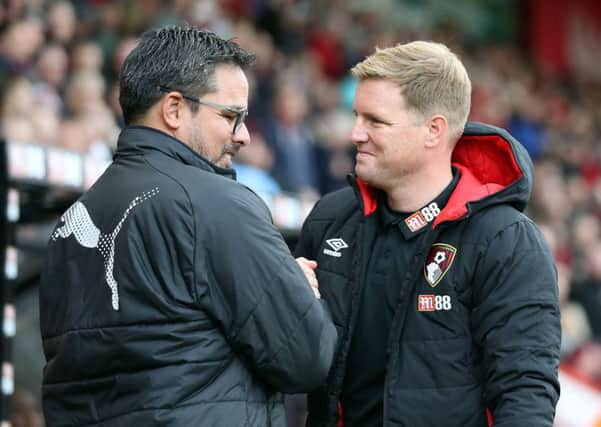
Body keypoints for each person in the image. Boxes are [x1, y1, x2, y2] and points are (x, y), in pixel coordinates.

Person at [39, 25, 337, 426]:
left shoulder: (71, 220)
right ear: (175, 109)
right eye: (232, 117)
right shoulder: (216, 204)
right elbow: (305, 357)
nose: (245, 135)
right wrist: (296, 290)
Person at [296, 41, 561, 427]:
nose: (355, 133)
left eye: (375, 121)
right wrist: (284, 299)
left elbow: (524, 392)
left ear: (433, 130)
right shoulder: (330, 219)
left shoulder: (506, 241)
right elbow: (288, 362)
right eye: (356, 116)